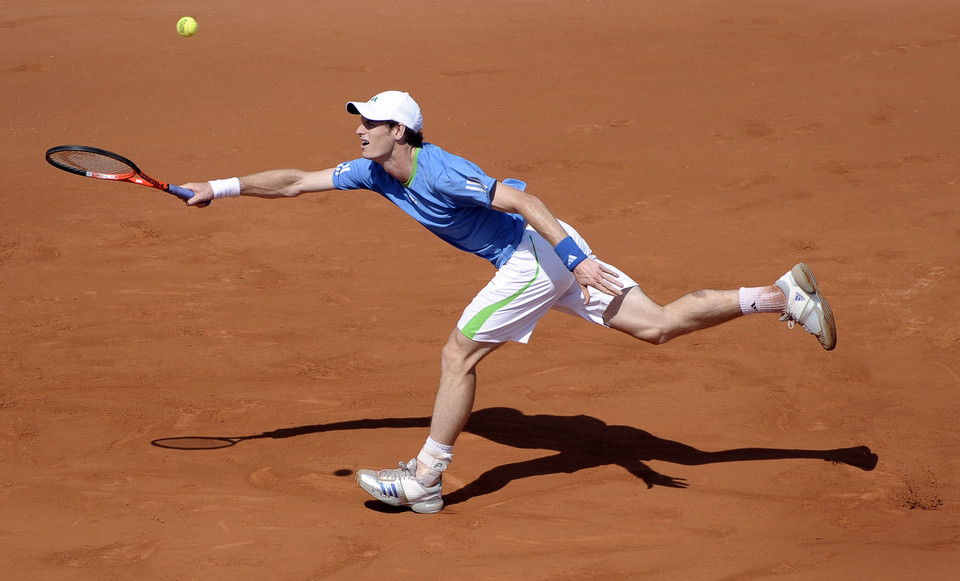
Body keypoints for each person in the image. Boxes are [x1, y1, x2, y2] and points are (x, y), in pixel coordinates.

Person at [182, 90, 836, 514]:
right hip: (552, 256)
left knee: (457, 354)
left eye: (370, 123)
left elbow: (524, 201)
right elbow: (295, 182)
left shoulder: (439, 169)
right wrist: (218, 185)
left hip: (539, 255)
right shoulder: (374, 172)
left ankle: (425, 478)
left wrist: (578, 266)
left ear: (400, 131)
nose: (359, 132)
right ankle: (780, 294)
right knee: (658, 324)